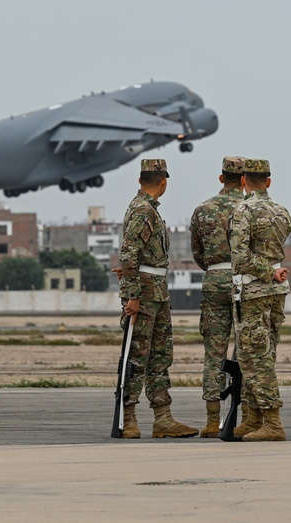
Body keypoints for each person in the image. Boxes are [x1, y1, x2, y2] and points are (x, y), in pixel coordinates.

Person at [114, 158, 198, 439]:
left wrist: (132, 276)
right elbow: (129, 254)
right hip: (146, 293)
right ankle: (129, 418)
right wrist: (134, 295)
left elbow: (134, 255)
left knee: (160, 356)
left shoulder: (146, 209)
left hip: (156, 290)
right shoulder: (143, 211)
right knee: (137, 356)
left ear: (140, 180)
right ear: (164, 182)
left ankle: (163, 417)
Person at [229, 158, 291, 441]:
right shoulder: (281, 211)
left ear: (243, 181)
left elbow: (240, 257)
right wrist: (273, 271)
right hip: (276, 293)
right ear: (268, 181)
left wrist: (267, 272)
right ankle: (254, 418)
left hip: (254, 291)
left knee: (255, 358)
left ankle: (272, 422)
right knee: (261, 355)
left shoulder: (243, 211)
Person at [189, 156, 246, 438]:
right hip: (244, 282)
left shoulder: (203, 210)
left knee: (214, 353)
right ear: (245, 180)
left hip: (214, 280)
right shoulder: (251, 209)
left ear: (221, 178)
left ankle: (212, 421)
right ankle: (247, 417)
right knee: (247, 352)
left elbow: (198, 253)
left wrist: (215, 268)